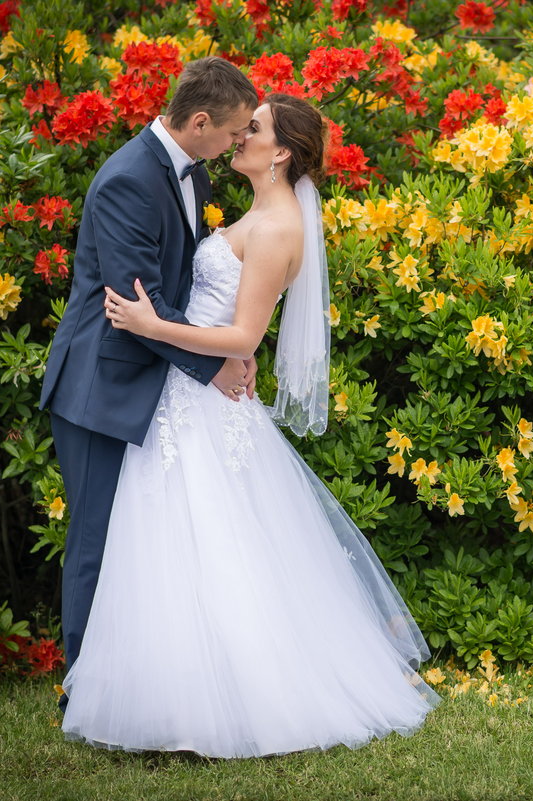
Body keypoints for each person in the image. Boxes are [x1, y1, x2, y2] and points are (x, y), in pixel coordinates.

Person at [60, 93, 442, 758]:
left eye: (254, 130)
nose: (241, 137)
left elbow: (243, 328)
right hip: (186, 393)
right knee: (171, 550)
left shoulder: (277, 227)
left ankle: (220, 700)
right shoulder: (255, 209)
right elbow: (231, 315)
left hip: (201, 399)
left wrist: (155, 326)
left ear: (282, 151)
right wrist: (223, 350)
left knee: (208, 549)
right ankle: (163, 694)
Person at [38, 58, 261, 714]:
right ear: (199, 123)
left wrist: (229, 345)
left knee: (136, 543)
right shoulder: (130, 181)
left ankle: (127, 689)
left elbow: (178, 292)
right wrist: (213, 364)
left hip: (149, 382)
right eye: (232, 132)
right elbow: (136, 309)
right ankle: (81, 694)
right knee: (95, 542)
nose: (237, 144)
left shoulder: (184, 170)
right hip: (99, 388)